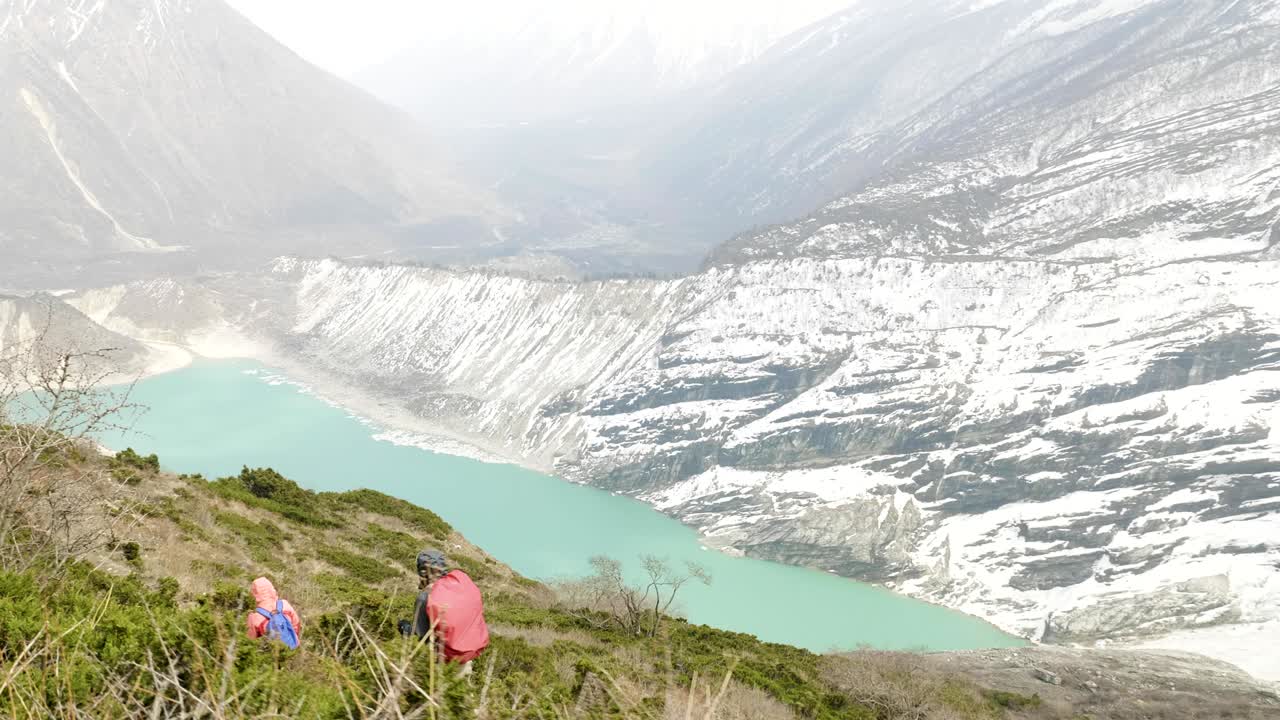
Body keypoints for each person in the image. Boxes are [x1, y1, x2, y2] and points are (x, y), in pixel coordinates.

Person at [403, 550, 489, 670]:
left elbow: (421, 640)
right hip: (466, 661)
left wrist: (406, 629)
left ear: (423, 572)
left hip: (441, 664)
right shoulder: (459, 586)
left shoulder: (425, 597)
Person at [246, 576, 302, 649]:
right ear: (272, 589)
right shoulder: (284, 604)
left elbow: (250, 642)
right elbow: (296, 625)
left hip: (271, 653)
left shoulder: (253, 617)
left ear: (254, 594)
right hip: (293, 648)